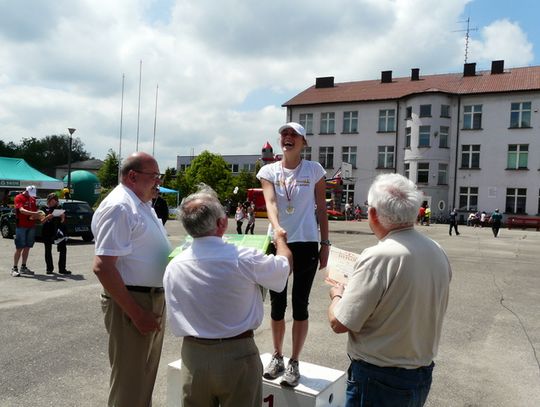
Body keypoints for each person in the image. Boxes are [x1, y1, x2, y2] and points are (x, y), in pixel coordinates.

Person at [327, 173, 452, 407]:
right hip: (421, 373)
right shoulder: (437, 250)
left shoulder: (379, 256)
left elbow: (339, 323)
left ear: (373, 213)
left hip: (378, 378)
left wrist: (337, 295)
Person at [164, 184, 292, 407]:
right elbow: (284, 268)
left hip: (193, 355)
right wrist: (280, 240)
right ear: (222, 224)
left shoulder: (174, 266)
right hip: (237, 354)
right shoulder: (243, 257)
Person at [91, 152, 171, 407]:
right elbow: (103, 267)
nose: (158, 181)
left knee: (142, 381)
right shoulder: (120, 206)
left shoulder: (140, 203)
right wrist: (136, 313)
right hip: (133, 301)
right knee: (130, 384)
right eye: (154, 176)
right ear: (133, 176)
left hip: (148, 299)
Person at [257, 122, 330, 387]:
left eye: (294, 135)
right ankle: (277, 355)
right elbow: (271, 202)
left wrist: (326, 243)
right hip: (278, 242)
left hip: (307, 242)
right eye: (284, 134)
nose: (287, 138)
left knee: (300, 303)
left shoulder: (314, 170)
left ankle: (294, 361)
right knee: (277, 303)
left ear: (303, 142)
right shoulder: (268, 170)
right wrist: (277, 231)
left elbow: (321, 209)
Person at [12, 185, 42, 277]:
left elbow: (34, 211)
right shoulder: (18, 197)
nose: (32, 196)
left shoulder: (32, 199)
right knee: (19, 247)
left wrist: (40, 215)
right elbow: (21, 210)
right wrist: (34, 213)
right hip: (21, 226)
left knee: (28, 247)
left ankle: (23, 267)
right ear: (26, 191)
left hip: (31, 226)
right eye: (30, 193)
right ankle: (14, 268)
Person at [41, 193, 70, 275]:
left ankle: (62, 268)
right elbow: (41, 221)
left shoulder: (59, 208)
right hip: (47, 231)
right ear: (48, 201)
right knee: (48, 250)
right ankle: (49, 269)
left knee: (63, 249)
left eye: (55, 201)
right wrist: (47, 217)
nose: (53, 203)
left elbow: (63, 222)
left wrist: (63, 217)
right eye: (51, 201)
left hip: (58, 232)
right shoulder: (43, 208)